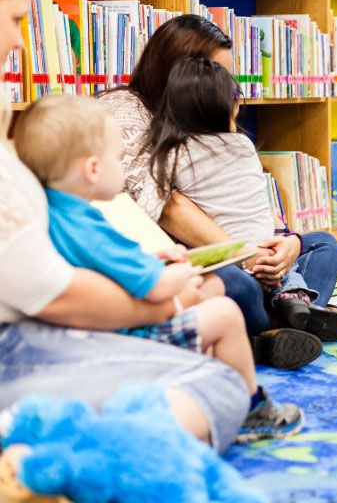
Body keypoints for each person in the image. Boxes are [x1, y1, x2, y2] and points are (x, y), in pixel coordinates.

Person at [0, 0, 246, 453]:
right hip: (33, 334)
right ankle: (52, 456)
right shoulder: (121, 117)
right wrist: (170, 294)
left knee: (232, 299)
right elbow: (58, 292)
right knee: (218, 374)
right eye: (19, 19)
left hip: (64, 311)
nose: (23, 43)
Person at [13, 94, 309, 440]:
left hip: (95, 329)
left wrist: (157, 261)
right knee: (224, 313)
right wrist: (183, 271)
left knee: (211, 297)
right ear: (92, 169)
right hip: (123, 334)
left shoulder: (54, 213)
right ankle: (251, 408)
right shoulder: (90, 225)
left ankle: (213, 371)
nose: (124, 167)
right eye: (119, 158)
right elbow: (155, 287)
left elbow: (105, 266)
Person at [99, 14, 337, 345]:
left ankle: (283, 320)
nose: (223, 87)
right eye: (216, 74)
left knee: (323, 245)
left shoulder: (210, 124)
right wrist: (248, 255)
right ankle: (291, 317)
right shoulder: (125, 110)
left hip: (242, 250)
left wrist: (283, 246)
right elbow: (167, 205)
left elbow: (247, 195)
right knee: (233, 282)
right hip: (194, 256)